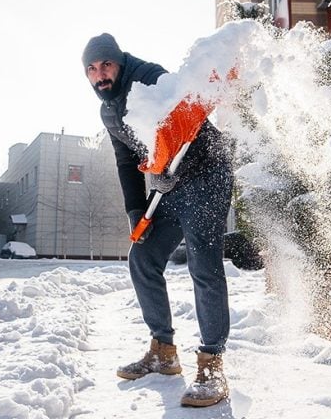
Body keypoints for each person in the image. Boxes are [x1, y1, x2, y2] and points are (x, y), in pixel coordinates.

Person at [82, 33, 234, 407]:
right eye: (92, 69)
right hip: (170, 184)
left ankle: (212, 364)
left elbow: (185, 118)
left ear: (119, 62)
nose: (100, 75)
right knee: (143, 257)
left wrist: (164, 163)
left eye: (106, 65)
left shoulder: (148, 76)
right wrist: (136, 211)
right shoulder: (108, 111)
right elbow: (124, 161)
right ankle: (163, 351)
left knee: (203, 262)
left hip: (206, 171)